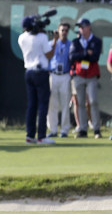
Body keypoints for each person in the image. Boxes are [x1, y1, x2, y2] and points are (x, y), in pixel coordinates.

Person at [17, 15, 54, 144]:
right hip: (41, 72)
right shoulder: (42, 37)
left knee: (32, 105)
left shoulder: (21, 38)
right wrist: (53, 41)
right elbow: (49, 55)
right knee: (43, 105)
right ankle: (42, 136)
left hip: (28, 72)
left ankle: (30, 135)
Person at [69, 18, 103, 138]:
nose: (81, 29)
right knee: (80, 103)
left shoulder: (96, 41)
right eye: (80, 27)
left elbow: (95, 57)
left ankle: (96, 128)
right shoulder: (76, 42)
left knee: (93, 101)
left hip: (91, 75)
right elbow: (72, 56)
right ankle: (83, 129)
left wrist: (83, 55)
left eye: (83, 27)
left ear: (89, 27)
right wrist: (85, 53)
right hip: (78, 75)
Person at [47, 23, 72, 138]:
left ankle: (64, 130)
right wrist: (54, 40)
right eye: (62, 30)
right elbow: (47, 56)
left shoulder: (71, 45)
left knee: (65, 103)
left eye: (66, 30)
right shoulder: (52, 44)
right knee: (52, 104)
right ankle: (52, 129)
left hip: (65, 75)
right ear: (58, 31)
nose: (64, 32)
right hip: (53, 74)